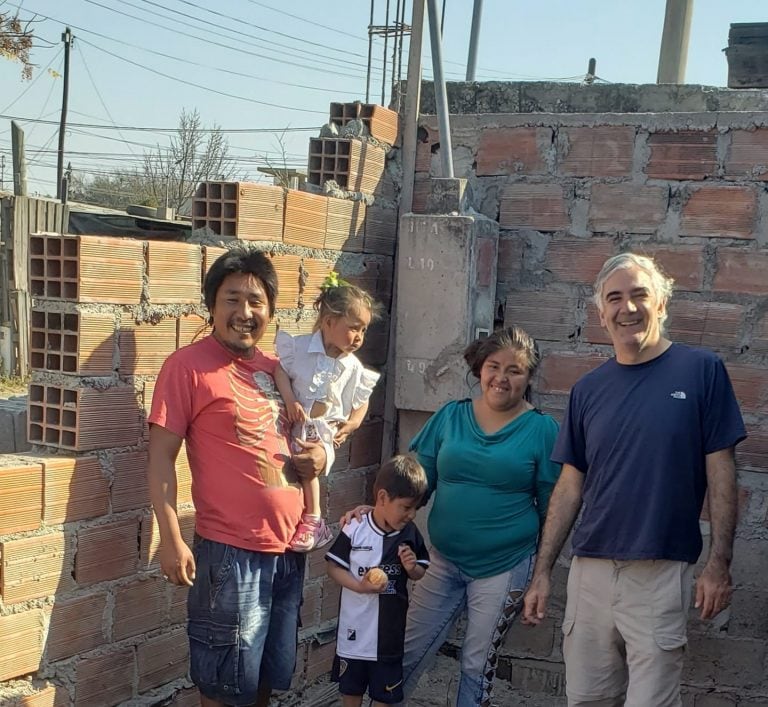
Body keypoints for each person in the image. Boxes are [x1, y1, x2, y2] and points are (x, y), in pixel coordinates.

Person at [522, 253, 747, 707]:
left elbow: (721, 469)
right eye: (615, 299)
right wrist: (542, 572)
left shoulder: (701, 371)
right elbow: (569, 486)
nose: (628, 308)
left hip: (660, 570)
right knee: (586, 699)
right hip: (590, 573)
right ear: (602, 315)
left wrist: (718, 563)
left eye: (640, 295)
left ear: (661, 303)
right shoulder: (588, 389)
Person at [146, 245, 333, 707]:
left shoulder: (278, 369)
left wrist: (321, 459)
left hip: (289, 549)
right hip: (231, 551)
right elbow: (161, 459)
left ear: (270, 310)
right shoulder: (186, 367)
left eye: (256, 302)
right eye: (232, 299)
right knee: (224, 684)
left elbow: (312, 435)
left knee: (268, 676)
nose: (244, 312)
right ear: (211, 305)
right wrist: (170, 538)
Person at [344, 326, 561, 706]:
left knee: (476, 666)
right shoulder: (451, 416)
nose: (502, 378)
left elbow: (552, 507)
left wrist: (542, 572)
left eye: (516, 370)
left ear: (528, 377)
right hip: (440, 562)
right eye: (494, 366)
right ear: (480, 368)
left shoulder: (542, 429)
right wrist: (375, 514)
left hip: (504, 565)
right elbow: (414, 482)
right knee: (404, 653)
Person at [273, 272, 381, 552]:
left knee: (309, 467)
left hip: (324, 430)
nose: (359, 337)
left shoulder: (353, 366)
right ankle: (301, 517)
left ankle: (314, 518)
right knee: (291, 468)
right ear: (329, 322)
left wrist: (353, 424)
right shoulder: (298, 348)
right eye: (354, 327)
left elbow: (362, 400)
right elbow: (280, 371)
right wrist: (290, 400)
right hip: (296, 421)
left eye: (364, 330)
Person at [326, 454, 431, 707]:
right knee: (351, 693)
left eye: (416, 508)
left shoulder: (409, 534)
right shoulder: (355, 528)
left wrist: (412, 567)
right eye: (406, 507)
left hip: (389, 637)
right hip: (354, 634)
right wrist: (360, 586)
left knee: (384, 696)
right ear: (382, 498)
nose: (411, 514)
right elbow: (333, 567)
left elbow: (420, 572)